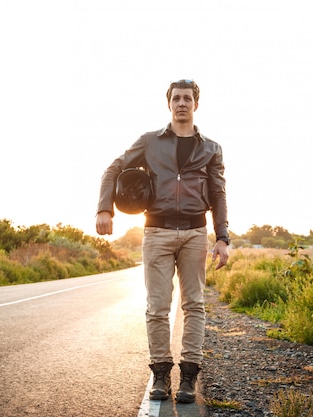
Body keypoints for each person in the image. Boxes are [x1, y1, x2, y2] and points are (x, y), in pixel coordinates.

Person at [96, 79, 229, 403]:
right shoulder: (149, 141)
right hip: (156, 231)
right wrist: (105, 209)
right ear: (168, 103)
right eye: (176, 98)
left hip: (196, 233)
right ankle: (159, 374)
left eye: (187, 98)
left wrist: (222, 237)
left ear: (196, 104)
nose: (181, 103)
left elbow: (218, 193)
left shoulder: (211, 148)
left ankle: (188, 377)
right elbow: (113, 169)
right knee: (157, 307)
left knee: (194, 304)